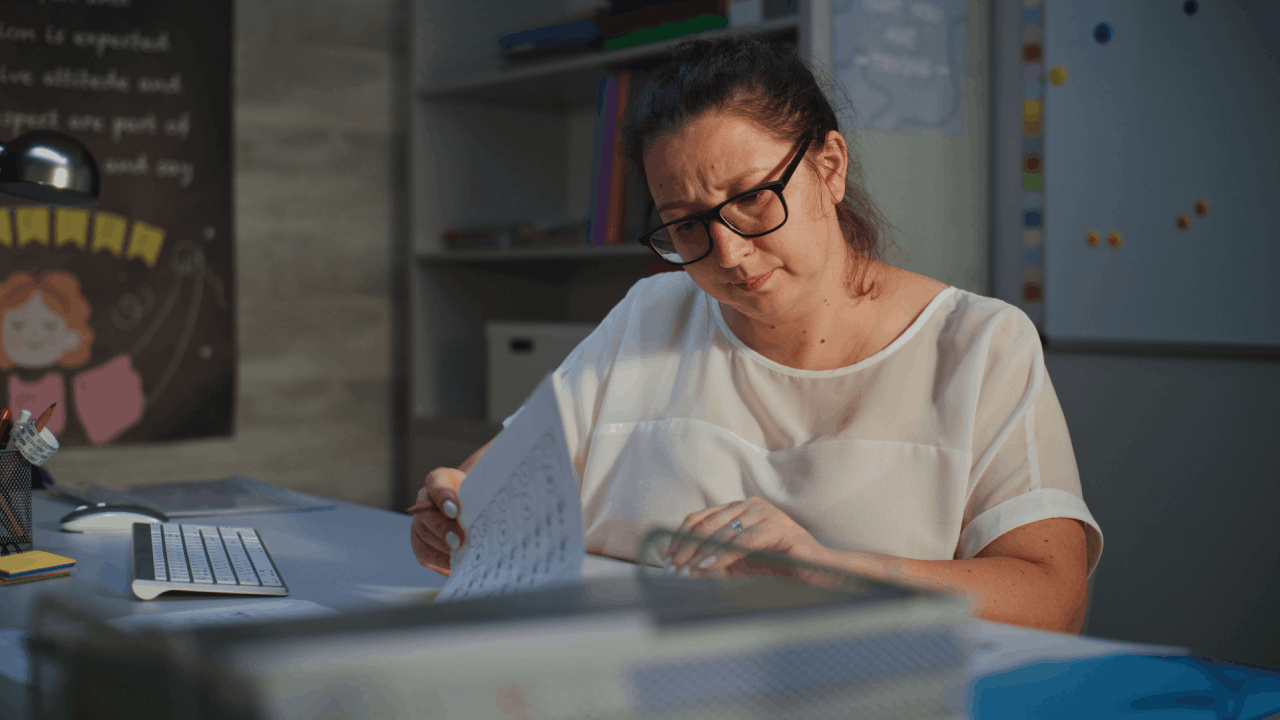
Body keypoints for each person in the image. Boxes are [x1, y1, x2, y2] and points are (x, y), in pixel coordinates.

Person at [410, 34, 1102, 634]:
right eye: (686, 224)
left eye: (750, 200)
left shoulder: (979, 345)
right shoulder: (652, 312)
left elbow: (1055, 599)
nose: (729, 254)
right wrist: (455, 512)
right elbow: (493, 479)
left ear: (829, 167)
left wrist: (831, 573)